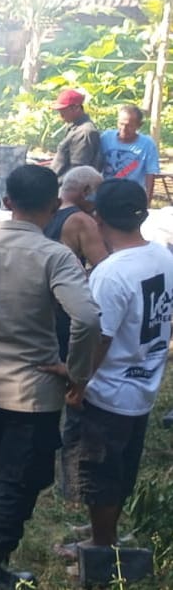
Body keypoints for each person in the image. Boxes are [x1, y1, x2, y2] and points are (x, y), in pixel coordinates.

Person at [0, 164, 101, 588]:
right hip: (33, 395)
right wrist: (77, 373)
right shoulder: (54, 257)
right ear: (54, 205)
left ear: (7, 203)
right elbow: (86, 318)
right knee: (16, 481)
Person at [57, 178, 173, 557]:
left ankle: (100, 544)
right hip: (142, 383)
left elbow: (100, 338)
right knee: (122, 464)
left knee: (99, 471)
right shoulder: (162, 256)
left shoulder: (111, 273)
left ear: (99, 217)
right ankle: (103, 526)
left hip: (108, 390)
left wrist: (78, 384)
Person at [45, 165, 109, 362]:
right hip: (62, 307)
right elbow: (106, 268)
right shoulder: (81, 221)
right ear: (87, 191)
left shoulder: (41, 211)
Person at [101, 104, 159, 203]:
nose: (123, 129)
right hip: (106, 194)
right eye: (121, 124)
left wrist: (147, 200)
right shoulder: (106, 138)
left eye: (129, 126)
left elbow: (150, 173)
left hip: (131, 197)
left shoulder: (147, 144)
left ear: (139, 125)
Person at [51, 88, 104, 178]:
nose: (61, 114)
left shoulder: (84, 132)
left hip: (69, 187)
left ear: (76, 108)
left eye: (63, 110)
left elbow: (78, 171)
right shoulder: (74, 127)